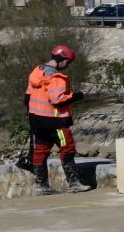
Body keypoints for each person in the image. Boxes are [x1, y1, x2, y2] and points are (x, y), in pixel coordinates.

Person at [24, 44, 87, 195]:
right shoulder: (56, 78)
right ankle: (74, 183)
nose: (67, 65)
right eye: (67, 62)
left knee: (40, 152)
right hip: (56, 123)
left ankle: (42, 186)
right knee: (67, 149)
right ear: (61, 59)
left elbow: (27, 98)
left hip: (38, 122)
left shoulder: (36, 73)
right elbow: (58, 100)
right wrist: (78, 95)